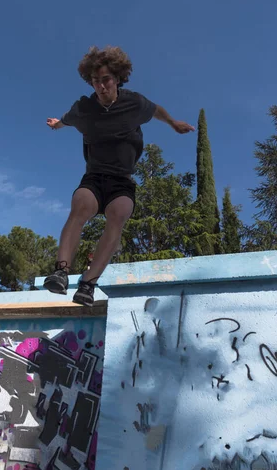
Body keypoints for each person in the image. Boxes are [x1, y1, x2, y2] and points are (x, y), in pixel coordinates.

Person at [43, 46, 195, 306]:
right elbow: (66, 120)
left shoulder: (133, 103)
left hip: (122, 181)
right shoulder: (84, 108)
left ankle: (88, 284)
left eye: (106, 80)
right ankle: (61, 271)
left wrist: (173, 123)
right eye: (96, 82)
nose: (101, 87)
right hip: (94, 177)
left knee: (120, 213)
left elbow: (156, 109)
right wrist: (57, 124)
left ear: (117, 79)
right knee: (81, 204)